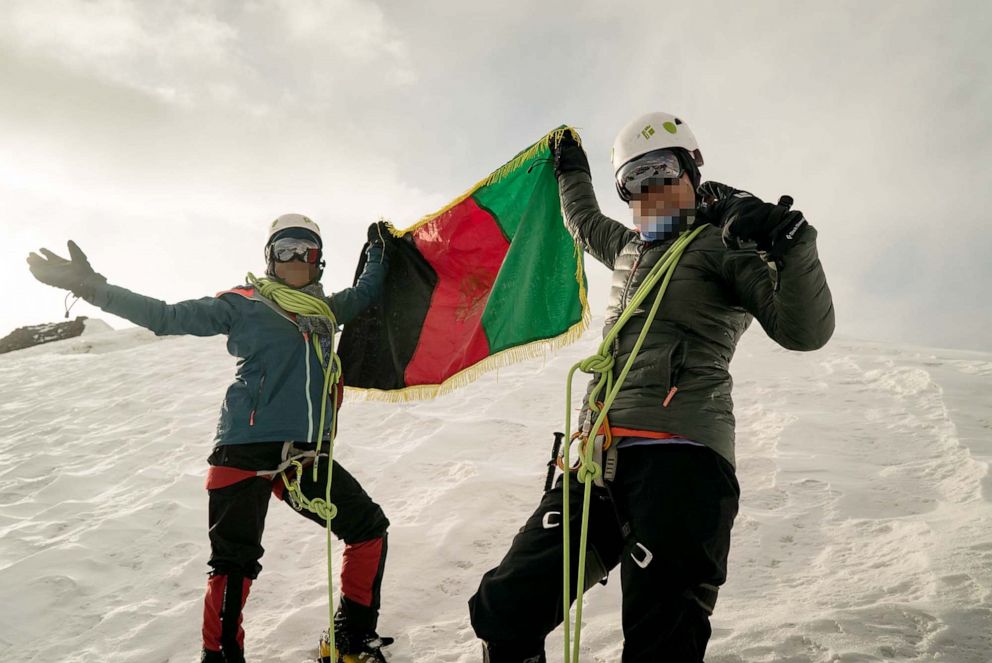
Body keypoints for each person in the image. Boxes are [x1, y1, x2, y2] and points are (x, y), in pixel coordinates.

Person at [468, 112, 835, 662]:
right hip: (598, 458)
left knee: (660, 643)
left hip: (682, 460)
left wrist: (790, 244)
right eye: (632, 182)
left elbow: (804, 332)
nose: (648, 190)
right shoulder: (628, 249)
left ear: (690, 168)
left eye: (660, 170)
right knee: (505, 609)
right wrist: (570, 165)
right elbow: (580, 219)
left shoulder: (723, 244)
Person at [27, 214, 394, 663]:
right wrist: (89, 285)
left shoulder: (328, 312)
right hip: (244, 450)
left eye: (307, 250)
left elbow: (369, 291)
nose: (296, 257)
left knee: (368, 529)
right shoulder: (243, 303)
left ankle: (350, 642)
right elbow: (165, 316)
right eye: (285, 249)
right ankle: (220, 658)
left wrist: (380, 246)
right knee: (234, 564)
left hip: (305, 456)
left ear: (319, 261)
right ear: (270, 258)